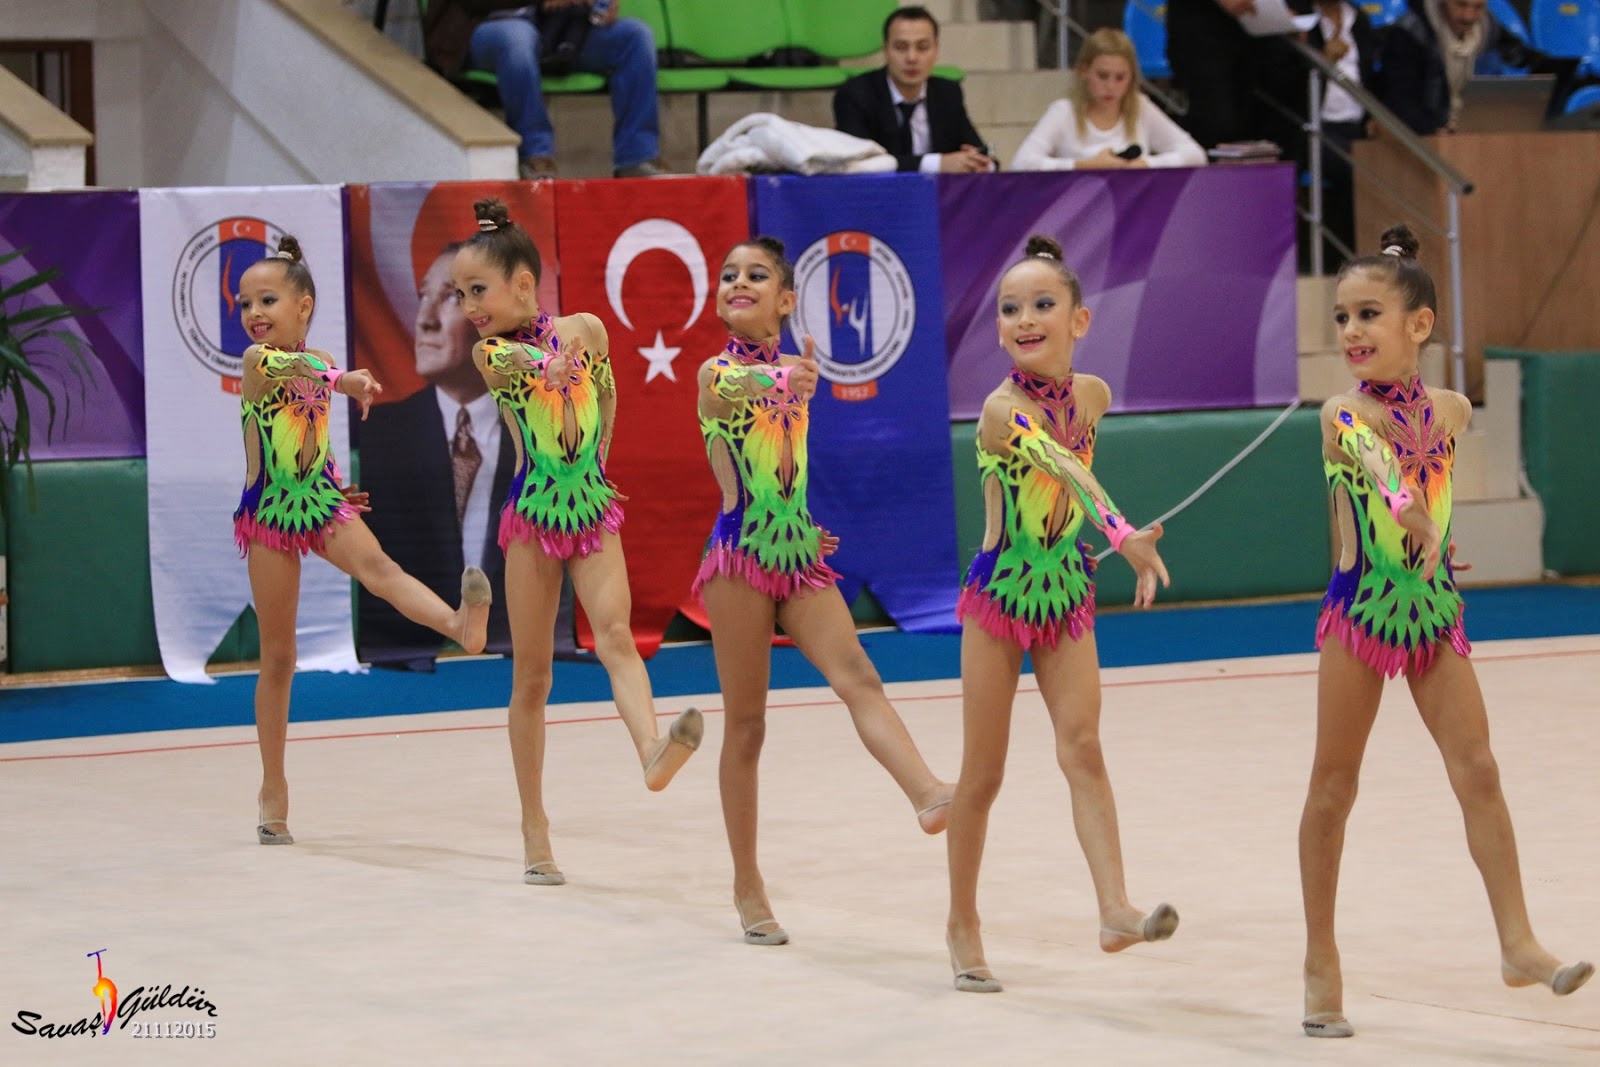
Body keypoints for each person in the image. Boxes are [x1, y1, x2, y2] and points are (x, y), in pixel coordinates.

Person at [1298, 224, 1593, 1038]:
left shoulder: (1453, 411)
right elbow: (1379, 466)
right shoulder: (1341, 413)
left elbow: (1432, 478)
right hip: (1360, 613)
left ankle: (1517, 942)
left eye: (1368, 314)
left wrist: (1435, 533)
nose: (1351, 331)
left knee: (1480, 769)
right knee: (1333, 786)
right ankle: (1321, 959)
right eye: (1342, 317)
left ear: (1419, 324)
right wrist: (1410, 511)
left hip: (1431, 610)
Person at [696, 237, 955, 945]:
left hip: (797, 555)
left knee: (858, 674)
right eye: (728, 274)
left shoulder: (797, 371)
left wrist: (802, 525)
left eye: (756, 275)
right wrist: (784, 379)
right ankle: (747, 882)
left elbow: (782, 468)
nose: (738, 281)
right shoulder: (717, 371)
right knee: (747, 725)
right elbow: (730, 392)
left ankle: (928, 792)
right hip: (738, 560)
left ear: (785, 300)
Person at [942, 234, 1178, 993]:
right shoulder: (1001, 410)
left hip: (1064, 593)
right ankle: (962, 922)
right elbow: (1063, 465)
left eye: (1043, 305)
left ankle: (1114, 909)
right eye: (1011, 309)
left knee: (1083, 747)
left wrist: (1110, 539)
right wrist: (1123, 533)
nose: (1025, 319)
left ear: (1079, 320)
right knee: (983, 774)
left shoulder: (1094, 396)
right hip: (999, 598)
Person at [453, 197, 702, 885]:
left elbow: (608, 397)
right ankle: (534, 828)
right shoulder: (490, 351)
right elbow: (520, 369)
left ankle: (651, 749)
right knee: (533, 677)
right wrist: (548, 371)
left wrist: (598, 469)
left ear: (523, 283)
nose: (468, 306)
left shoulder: (588, 329)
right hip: (533, 520)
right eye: (459, 294)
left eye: (478, 290)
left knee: (617, 636)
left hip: (589, 509)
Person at [234, 236, 492, 846]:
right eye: (245, 303)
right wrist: (341, 377)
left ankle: (459, 625)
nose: (253, 313)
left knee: (381, 568)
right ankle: (273, 787)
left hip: (318, 500)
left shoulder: (320, 359)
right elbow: (291, 373)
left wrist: (330, 484)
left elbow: (309, 436)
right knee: (279, 657)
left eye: (267, 300)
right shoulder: (258, 361)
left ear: (303, 306)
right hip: (269, 512)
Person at [359, 243, 516, 666]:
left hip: (513, 653)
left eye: (449, 297)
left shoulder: (539, 426)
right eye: (422, 296)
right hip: (403, 664)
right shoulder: (373, 434)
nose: (425, 320)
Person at [422, 0, 669, 179]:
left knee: (635, 36)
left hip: (560, 29)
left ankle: (637, 156)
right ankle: (534, 154)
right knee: (518, 39)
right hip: (482, 25)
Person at [1012, 28, 1206, 171]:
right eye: (1102, 76)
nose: (1111, 86)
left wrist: (1145, 164)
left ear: (1132, 77)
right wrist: (1084, 165)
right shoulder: (1063, 112)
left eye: (1120, 78)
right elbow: (1021, 162)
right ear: (1084, 71)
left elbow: (1194, 154)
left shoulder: (1140, 107)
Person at [833, 6, 996, 174]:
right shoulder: (855, 95)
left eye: (923, 47)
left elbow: (981, 152)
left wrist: (981, 163)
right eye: (901, 47)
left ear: (936, 50)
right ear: (886, 50)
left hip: (935, 190)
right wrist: (936, 163)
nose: (912, 58)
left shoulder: (948, 93)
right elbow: (858, 163)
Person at [1378, 0, 1566, 135]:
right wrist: (1432, 130)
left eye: (1478, 7)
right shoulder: (1409, 33)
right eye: (1461, 5)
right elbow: (1400, 100)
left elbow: (1521, 56)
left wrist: (1561, 71)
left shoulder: (1486, 25)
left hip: (1469, 129)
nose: (1469, 16)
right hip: (1429, 134)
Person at [1297, 0, 1380, 270]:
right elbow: (1286, 79)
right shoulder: (1300, 17)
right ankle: (1353, 261)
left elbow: (1371, 76)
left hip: (1358, 127)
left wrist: (1374, 116)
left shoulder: (1359, 20)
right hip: (1315, 127)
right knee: (1356, 168)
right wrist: (1324, 60)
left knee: (1394, 164)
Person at [1165, 0, 1305, 151]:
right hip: (1204, 42)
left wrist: (1283, 19)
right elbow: (1235, 4)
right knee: (1216, 121)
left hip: (1251, 40)